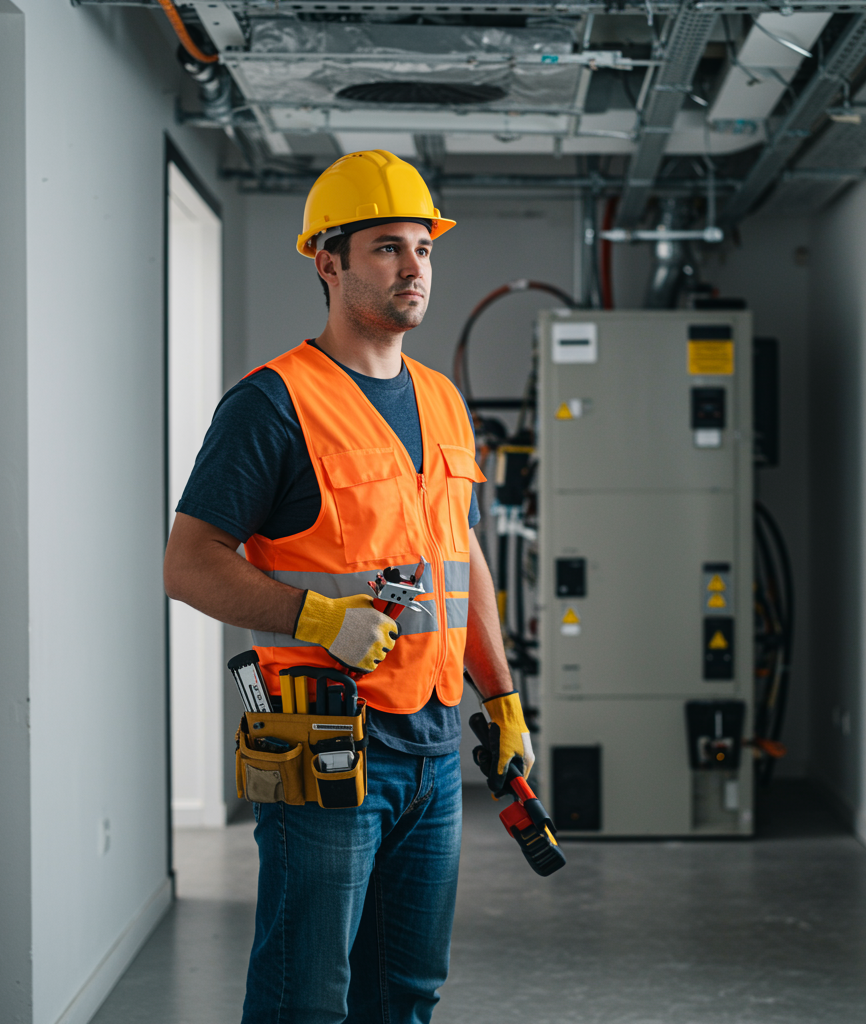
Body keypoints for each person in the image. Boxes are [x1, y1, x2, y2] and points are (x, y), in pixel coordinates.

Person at [163, 149, 535, 1024]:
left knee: (406, 992)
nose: (414, 269)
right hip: (325, 740)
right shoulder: (272, 402)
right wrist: (318, 617)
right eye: (386, 248)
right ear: (327, 262)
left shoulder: (442, 400)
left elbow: (461, 555)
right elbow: (188, 561)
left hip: (438, 744)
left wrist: (504, 699)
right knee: (306, 995)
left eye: (424, 248)